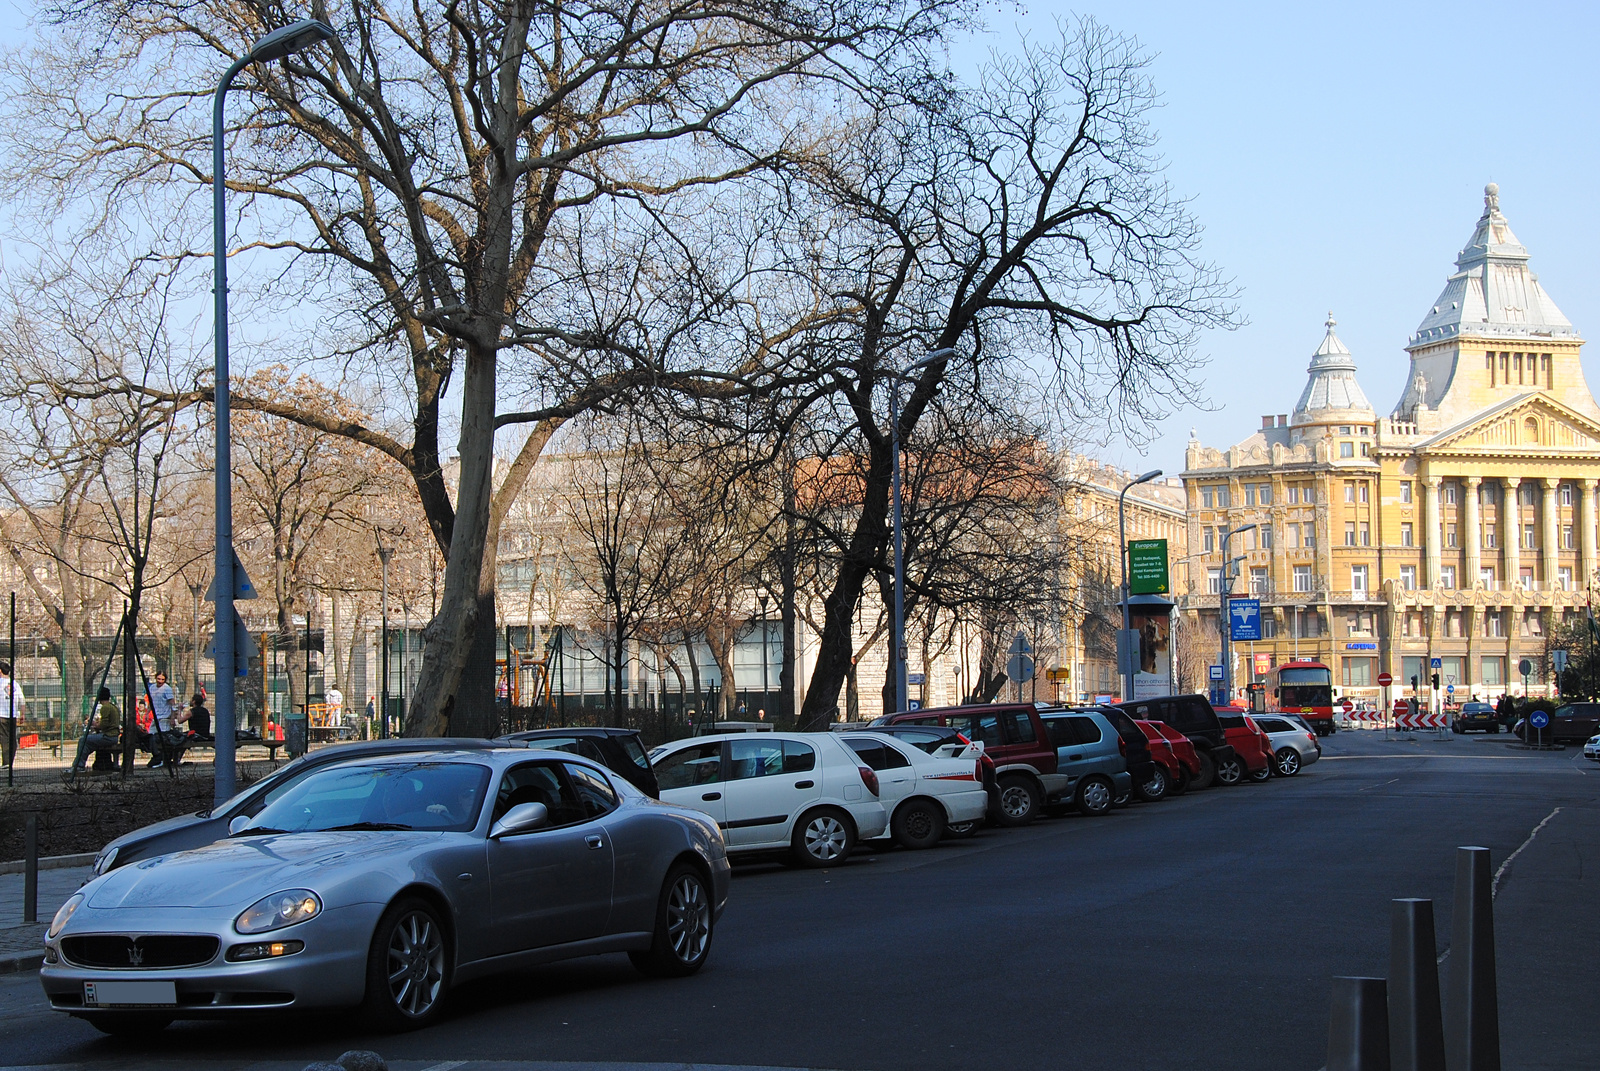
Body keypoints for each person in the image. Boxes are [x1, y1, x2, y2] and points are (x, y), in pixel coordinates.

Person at [71, 687, 122, 774]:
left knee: (83, 740)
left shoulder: (105, 708)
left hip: (108, 737)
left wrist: (93, 724)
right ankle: (81, 764)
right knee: (88, 744)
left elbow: (104, 725)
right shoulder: (113, 707)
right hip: (113, 736)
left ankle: (79, 766)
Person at [146, 671, 180, 768]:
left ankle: (163, 760)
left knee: (163, 739)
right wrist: (148, 712)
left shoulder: (167, 689)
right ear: (156, 678)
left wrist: (172, 718)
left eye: (162, 679)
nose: (160, 681)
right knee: (151, 737)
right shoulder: (152, 688)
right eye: (159, 679)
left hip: (164, 718)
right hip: (155, 717)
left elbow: (172, 704)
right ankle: (157, 757)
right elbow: (151, 702)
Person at [0, 661, 25, 771]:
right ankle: (10, 761)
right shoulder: (15, 684)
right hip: (13, 715)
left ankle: (6, 762)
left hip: (1, 714)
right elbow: (22, 700)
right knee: (12, 738)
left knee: (4, 738)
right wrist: (22, 713)